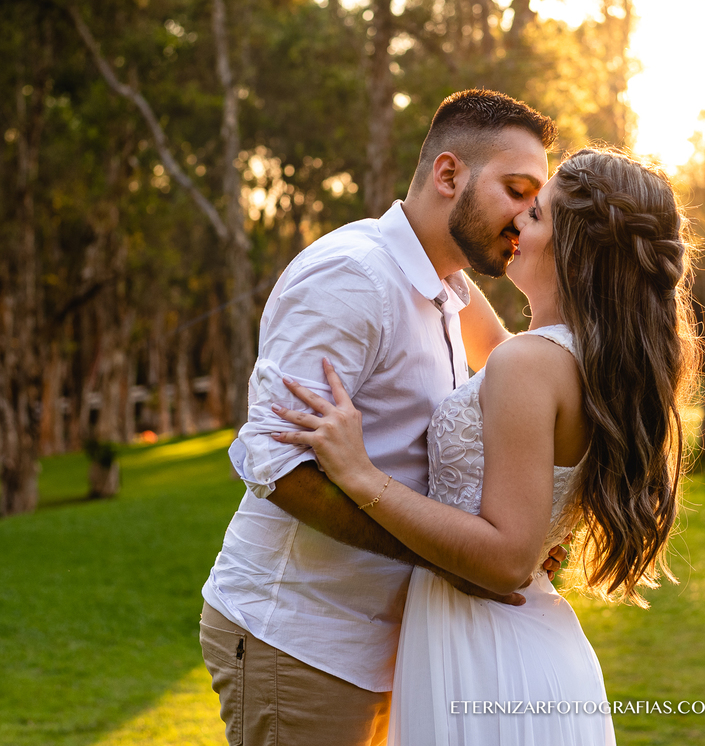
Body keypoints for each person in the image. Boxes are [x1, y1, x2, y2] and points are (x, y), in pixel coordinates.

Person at [271, 148, 700, 745]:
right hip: (517, 643)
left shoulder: (528, 365)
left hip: (487, 653)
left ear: (573, 252)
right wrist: (438, 227)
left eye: (539, 214)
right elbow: (463, 302)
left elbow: (505, 559)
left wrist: (361, 475)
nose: (519, 221)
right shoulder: (569, 356)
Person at [199, 89, 565, 746]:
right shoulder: (354, 278)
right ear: (449, 174)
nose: (526, 216)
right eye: (516, 190)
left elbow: (532, 388)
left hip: (394, 648)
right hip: (302, 636)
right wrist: (450, 559)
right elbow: (275, 464)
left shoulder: (450, 291)